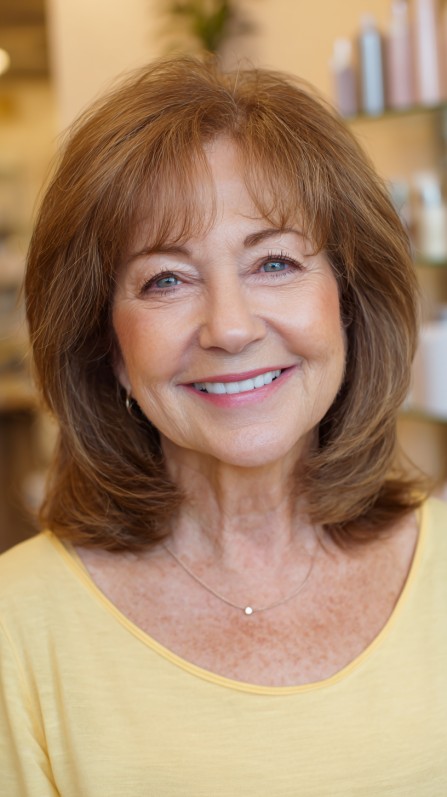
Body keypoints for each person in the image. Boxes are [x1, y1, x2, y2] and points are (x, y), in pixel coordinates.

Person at [0, 55, 446, 796]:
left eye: (273, 262)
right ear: (104, 342)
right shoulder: (16, 626)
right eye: (165, 279)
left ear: (348, 299)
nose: (230, 328)